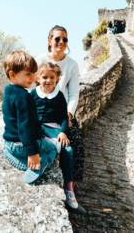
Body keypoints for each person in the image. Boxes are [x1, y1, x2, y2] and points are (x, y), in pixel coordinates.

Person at [36, 25, 84, 183]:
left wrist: (69, 113)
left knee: (76, 142)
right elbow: (31, 87)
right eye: (57, 38)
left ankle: (72, 186)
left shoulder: (72, 65)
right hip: (41, 111)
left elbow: (74, 94)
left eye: (65, 39)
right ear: (50, 41)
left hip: (63, 113)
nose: (61, 42)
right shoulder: (40, 60)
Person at [2, 50, 57, 184]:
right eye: (27, 74)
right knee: (52, 149)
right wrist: (32, 153)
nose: (32, 78)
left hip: (10, 144)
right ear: (12, 75)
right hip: (23, 146)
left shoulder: (8, 91)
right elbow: (25, 128)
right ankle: (35, 167)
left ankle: (11, 155)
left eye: (33, 73)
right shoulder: (24, 97)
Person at [31, 62, 78, 209]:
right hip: (37, 128)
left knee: (68, 150)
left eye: (52, 77)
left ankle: (69, 187)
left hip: (54, 129)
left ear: (57, 79)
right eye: (44, 77)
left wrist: (63, 132)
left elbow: (64, 117)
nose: (48, 80)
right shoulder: (33, 94)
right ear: (38, 78)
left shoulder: (59, 96)